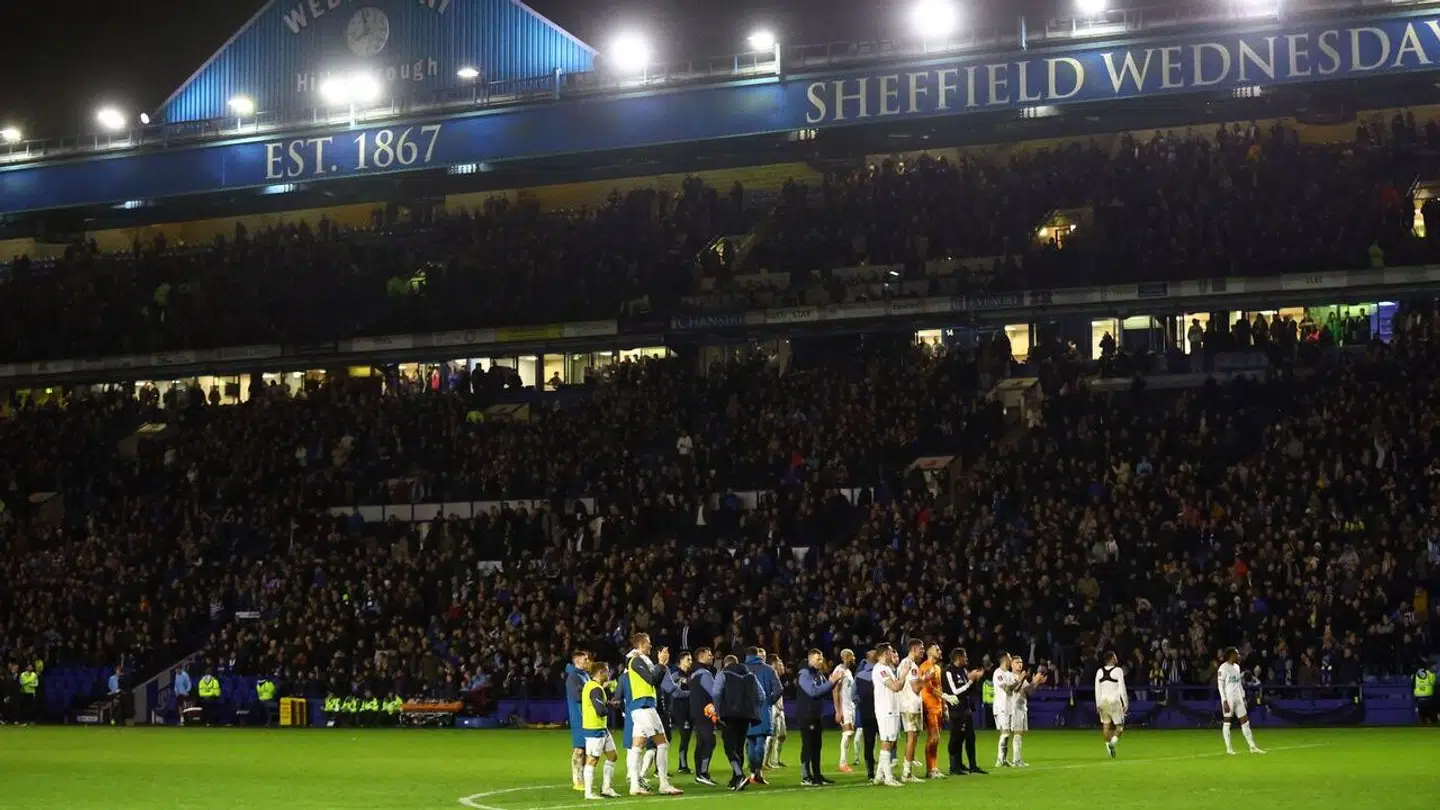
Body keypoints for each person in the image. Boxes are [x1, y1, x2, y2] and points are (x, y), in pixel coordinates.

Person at [624, 633, 683, 795]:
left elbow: (655, 681)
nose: (651, 645)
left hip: (642, 707)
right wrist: (662, 664)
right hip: (644, 707)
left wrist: (661, 666)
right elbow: (651, 679)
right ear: (641, 644)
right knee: (662, 744)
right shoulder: (636, 660)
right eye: (648, 643)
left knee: (638, 747)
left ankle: (635, 786)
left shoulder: (642, 660)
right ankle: (664, 784)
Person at [712, 654, 763, 791]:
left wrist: (718, 710)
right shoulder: (750, 675)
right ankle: (735, 779)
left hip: (729, 715)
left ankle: (739, 775)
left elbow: (716, 693)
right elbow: (761, 695)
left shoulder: (723, 674)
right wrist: (752, 709)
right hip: (746, 716)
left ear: (725, 664)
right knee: (739, 746)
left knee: (729, 746)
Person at [795, 649, 843, 786]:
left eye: (821, 659)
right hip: (806, 715)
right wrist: (831, 682)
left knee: (817, 746)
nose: (820, 662)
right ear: (810, 659)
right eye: (818, 659)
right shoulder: (804, 673)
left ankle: (817, 775)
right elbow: (813, 692)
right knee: (808, 745)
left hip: (816, 715)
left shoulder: (818, 673)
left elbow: (823, 690)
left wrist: (833, 683)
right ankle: (805, 776)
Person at [580, 662, 622, 800]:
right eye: (607, 672)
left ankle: (606, 788)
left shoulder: (595, 686)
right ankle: (588, 793)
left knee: (612, 756)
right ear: (600, 673)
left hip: (602, 728)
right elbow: (600, 710)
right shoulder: (595, 689)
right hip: (594, 729)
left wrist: (608, 703)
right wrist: (608, 707)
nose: (608, 674)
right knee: (592, 760)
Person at [943, 648, 986, 775]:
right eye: (965, 657)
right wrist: (970, 681)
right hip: (956, 710)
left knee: (970, 738)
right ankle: (954, 767)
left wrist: (975, 680)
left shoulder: (963, 670)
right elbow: (954, 692)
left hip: (966, 709)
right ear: (958, 658)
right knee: (956, 738)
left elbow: (968, 689)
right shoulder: (948, 671)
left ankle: (972, 766)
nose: (966, 659)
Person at [743, 647, 781, 785]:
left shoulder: (742, 669)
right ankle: (757, 772)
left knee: (750, 741)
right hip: (763, 710)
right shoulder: (769, 669)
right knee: (760, 741)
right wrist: (769, 701)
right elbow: (779, 689)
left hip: (745, 711)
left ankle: (752, 772)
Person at [1218, 647, 1265, 755]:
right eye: (1236, 654)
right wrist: (1224, 701)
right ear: (1231, 655)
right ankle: (1229, 748)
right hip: (1229, 699)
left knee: (1245, 721)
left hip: (1238, 698)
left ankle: (1252, 747)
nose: (1238, 655)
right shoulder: (1223, 668)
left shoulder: (1237, 667)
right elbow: (1220, 686)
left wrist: (1243, 697)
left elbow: (1239, 684)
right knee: (1227, 722)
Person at [871, 643, 906, 787]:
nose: (893, 654)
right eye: (891, 652)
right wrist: (904, 674)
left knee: (890, 743)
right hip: (886, 710)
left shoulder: (887, 668)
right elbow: (896, 686)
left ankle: (879, 776)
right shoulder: (880, 669)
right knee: (887, 743)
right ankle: (888, 778)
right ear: (885, 653)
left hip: (892, 709)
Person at [1005, 658, 1046, 767]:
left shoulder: (1022, 676)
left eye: (1021, 662)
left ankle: (1018, 759)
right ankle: (1016, 760)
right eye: (1017, 662)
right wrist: (1030, 680)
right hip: (1015, 707)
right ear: (1012, 665)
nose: (1020, 664)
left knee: (1020, 734)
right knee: (1017, 733)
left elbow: (1029, 692)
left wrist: (1037, 682)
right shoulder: (1011, 676)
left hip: (1023, 706)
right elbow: (1017, 689)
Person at [687, 648, 719, 786]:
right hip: (705, 713)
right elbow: (714, 693)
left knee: (701, 742)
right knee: (709, 741)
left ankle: (700, 773)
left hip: (696, 713)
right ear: (701, 656)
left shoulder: (693, 674)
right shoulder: (705, 674)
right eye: (709, 654)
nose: (712, 657)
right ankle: (703, 773)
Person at [894, 639, 925, 782]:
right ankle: (907, 773)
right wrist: (926, 678)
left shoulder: (904, 663)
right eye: (921, 648)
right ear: (913, 648)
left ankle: (908, 771)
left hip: (907, 705)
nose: (923, 651)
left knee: (911, 738)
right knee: (912, 738)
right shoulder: (911, 666)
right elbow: (916, 687)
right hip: (911, 706)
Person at [917, 644, 946, 779]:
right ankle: (930, 769)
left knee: (936, 738)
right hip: (929, 705)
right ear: (929, 652)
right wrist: (946, 697)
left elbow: (939, 686)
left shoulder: (938, 668)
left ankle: (934, 768)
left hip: (938, 705)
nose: (940, 651)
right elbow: (928, 689)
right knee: (933, 737)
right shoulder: (924, 667)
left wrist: (944, 705)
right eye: (937, 650)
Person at [566, 650, 593, 792]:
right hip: (578, 717)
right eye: (585, 659)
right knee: (579, 749)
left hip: (587, 717)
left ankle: (583, 777)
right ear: (577, 661)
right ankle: (577, 780)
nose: (587, 661)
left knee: (587, 749)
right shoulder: (573, 677)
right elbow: (577, 696)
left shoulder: (586, 675)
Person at [1095, 651, 1129, 757]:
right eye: (1115, 657)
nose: (1116, 658)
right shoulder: (1118, 670)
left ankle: (1108, 747)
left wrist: (1098, 704)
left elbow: (1097, 689)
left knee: (1106, 726)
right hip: (1114, 701)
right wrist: (1126, 703)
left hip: (1103, 701)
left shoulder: (1099, 672)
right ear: (1111, 659)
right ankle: (1112, 744)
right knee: (1120, 727)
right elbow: (1122, 687)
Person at [854, 649, 878, 781]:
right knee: (888, 740)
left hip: (867, 712)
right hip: (881, 712)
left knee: (869, 742)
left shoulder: (859, 675)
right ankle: (883, 769)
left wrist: (861, 704)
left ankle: (871, 772)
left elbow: (854, 695)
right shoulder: (883, 672)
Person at [832, 649, 858, 773]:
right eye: (852, 655)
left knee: (849, 734)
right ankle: (842, 763)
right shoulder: (839, 670)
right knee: (847, 734)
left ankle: (844, 762)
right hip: (844, 707)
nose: (854, 657)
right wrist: (838, 710)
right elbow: (835, 691)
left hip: (850, 706)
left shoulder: (848, 671)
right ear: (845, 657)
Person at [991, 652, 1016, 767]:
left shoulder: (1010, 674)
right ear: (1005, 659)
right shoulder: (998, 673)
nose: (1011, 660)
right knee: (1005, 732)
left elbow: (1014, 689)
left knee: (1007, 733)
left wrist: (1019, 682)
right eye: (1010, 658)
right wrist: (1017, 682)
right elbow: (1007, 689)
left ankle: (1004, 759)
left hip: (1009, 706)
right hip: (1001, 706)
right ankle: (999, 760)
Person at [671, 652, 693, 773]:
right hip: (680, 709)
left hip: (689, 709)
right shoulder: (676, 675)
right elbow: (675, 692)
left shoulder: (691, 674)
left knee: (688, 737)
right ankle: (682, 765)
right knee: (684, 736)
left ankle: (683, 764)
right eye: (688, 660)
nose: (690, 662)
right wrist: (692, 694)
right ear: (681, 661)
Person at [763, 655, 787, 770]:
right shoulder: (768, 675)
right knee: (771, 735)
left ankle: (776, 760)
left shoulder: (776, 674)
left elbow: (783, 671)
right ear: (772, 663)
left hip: (780, 708)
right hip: (772, 706)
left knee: (782, 735)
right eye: (777, 662)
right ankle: (765, 762)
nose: (780, 663)